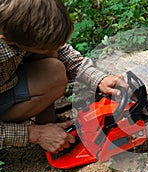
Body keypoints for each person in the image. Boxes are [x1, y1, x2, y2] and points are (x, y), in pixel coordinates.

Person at [0, 0, 128, 155]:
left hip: (8, 83)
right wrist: (34, 134)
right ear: (8, 40)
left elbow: (61, 50)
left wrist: (99, 79)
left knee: (53, 67)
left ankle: (50, 126)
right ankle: (46, 133)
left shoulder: (19, 15)